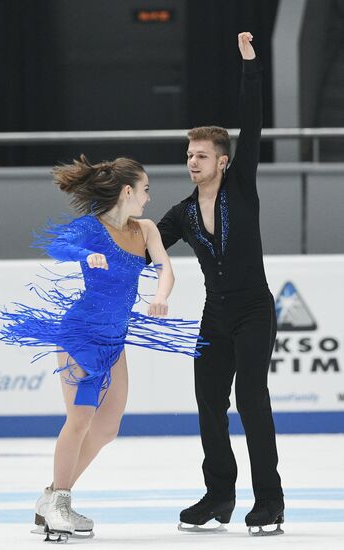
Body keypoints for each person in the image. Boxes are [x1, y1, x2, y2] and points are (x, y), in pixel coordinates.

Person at [0, 155, 203, 541]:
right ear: (127, 191)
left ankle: (50, 496)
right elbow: (61, 246)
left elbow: (165, 268)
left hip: (114, 341)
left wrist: (160, 294)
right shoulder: (91, 228)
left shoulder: (145, 230)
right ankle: (60, 501)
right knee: (81, 419)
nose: (147, 199)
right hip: (80, 335)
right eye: (144, 191)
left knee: (107, 429)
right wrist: (83, 254)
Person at [149, 33, 284, 535]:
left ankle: (269, 499)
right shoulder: (181, 214)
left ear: (222, 161)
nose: (192, 162)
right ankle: (219, 495)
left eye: (201, 155)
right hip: (215, 314)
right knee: (209, 403)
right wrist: (109, 249)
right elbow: (147, 248)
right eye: (189, 155)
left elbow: (253, 123)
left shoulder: (241, 186)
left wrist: (250, 67)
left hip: (253, 309)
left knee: (251, 397)